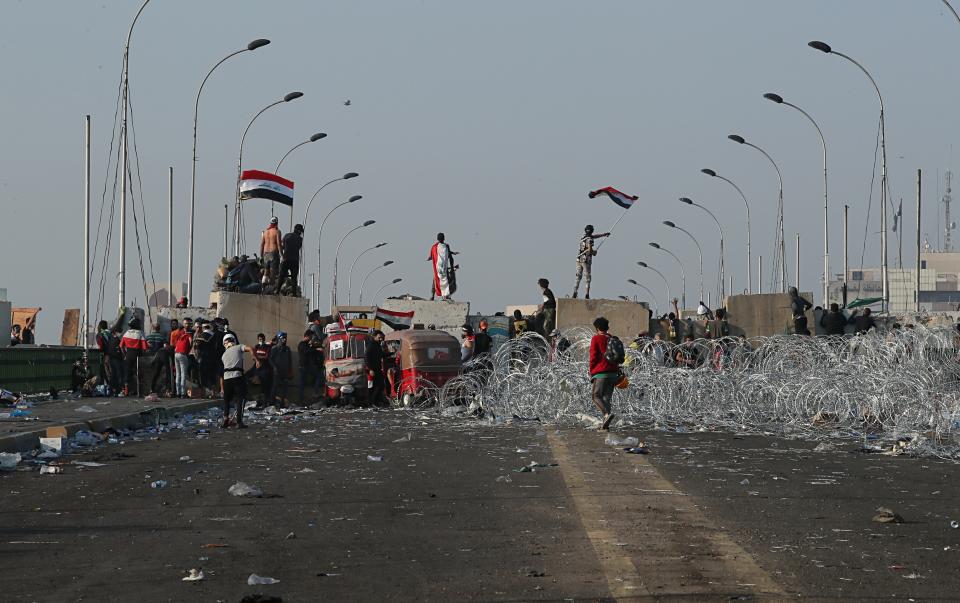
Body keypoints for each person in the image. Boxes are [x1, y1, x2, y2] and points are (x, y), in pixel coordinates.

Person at [588, 317, 619, 430]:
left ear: (597, 328)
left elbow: (593, 356)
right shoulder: (613, 339)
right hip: (613, 373)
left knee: (596, 396)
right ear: (607, 327)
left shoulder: (596, 339)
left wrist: (591, 370)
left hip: (601, 372)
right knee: (606, 398)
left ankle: (606, 414)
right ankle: (606, 423)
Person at [571, 224, 610, 299]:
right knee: (587, 278)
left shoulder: (583, 237)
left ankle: (575, 292)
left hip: (579, 259)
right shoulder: (590, 240)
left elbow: (594, 236)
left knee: (578, 277)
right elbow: (589, 249)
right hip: (586, 261)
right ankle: (587, 294)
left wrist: (603, 235)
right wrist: (594, 253)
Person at [220, 333, 250, 428]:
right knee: (241, 398)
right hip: (237, 376)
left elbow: (222, 373)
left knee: (227, 400)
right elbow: (250, 349)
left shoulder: (223, 355)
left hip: (226, 379)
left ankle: (225, 419)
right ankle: (239, 422)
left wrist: (222, 388)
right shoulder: (238, 347)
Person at [119, 318, 148, 396]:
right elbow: (145, 348)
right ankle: (139, 391)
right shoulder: (140, 333)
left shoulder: (126, 333)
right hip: (138, 356)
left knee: (127, 373)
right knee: (139, 373)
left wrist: (125, 354)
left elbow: (121, 346)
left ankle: (126, 391)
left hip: (128, 355)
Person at [428, 232, 457, 300]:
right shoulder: (438, 247)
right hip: (441, 268)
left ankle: (437, 296)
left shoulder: (437, 247)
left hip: (441, 268)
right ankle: (438, 296)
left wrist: (430, 257)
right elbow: (449, 256)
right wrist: (452, 267)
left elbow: (448, 254)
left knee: (438, 281)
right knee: (441, 281)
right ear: (444, 238)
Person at [297, 330, 323, 404]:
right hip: (303, 367)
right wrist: (316, 349)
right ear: (307, 336)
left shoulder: (308, 345)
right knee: (302, 385)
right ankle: (300, 400)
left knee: (317, 377)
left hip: (308, 367)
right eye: (311, 336)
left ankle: (314, 393)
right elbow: (307, 351)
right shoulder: (302, 344)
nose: (311, 338)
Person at [278, 223, 304, 295]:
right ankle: (294, 294)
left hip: (285, 258)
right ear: (299, 231)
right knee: (294, 278)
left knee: (281, 275)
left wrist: (282, 254)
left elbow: (282, 246)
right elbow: (298, 247)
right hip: (294, 260)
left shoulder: (286, 235)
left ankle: (277, 291)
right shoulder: (300, 239)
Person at [268, 331, 293, 406]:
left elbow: (289, 360)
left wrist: (290, 370)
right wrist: (274, 367)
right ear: (279, 339)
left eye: (285, 338)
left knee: (284, 388)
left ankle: (282, 403)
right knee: (275, 387)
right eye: (282, 338)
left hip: (285, 371)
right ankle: (271, 402)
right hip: (277, 371)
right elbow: (270, 359)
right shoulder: (274, 348)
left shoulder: (287, 349)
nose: (284, 340)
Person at [249, 332, 273, 403]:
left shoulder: (267, 347)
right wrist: (257, 358)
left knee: (265, 384)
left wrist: (257, 357)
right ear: (258, 339)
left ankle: (265, 399)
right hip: (257, 367)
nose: (261, 340)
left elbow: (267, 357)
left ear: (264, 339)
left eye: (262, 339)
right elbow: (253, 356)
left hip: (265, 367)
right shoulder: (256, 346)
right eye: (259, 339)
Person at [365, 330, 387, 406]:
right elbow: (366, 358)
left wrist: (392, 353)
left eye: (381, 338)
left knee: (380, 385)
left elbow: (381, 354)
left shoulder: (378, 345)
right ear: (374, 337)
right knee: (371, 387)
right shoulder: (370, 346)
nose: (381, 339)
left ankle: (375, 402)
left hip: (378, 369)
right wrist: (370, 369)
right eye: (379, 337)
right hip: (371, 370)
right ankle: (370, 403)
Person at [260, 216, 282, 288]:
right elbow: (279, 244)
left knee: (266, 271)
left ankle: (263, 286)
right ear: (277, 223)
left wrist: (261, 255)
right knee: (273, 272)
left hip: (265, 254)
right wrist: (281, 254)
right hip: (273, 253)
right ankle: (270, 288)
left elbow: (262, 244)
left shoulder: (265, 232)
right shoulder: (277, 231)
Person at [173, 323, 192, 398]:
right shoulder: (189, 336)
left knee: (178, 374)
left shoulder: (179, 336)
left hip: (176, 354)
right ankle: (183, 393)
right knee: (183, 374)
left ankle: (178, 392)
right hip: (182, 355)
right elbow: (191, 343)